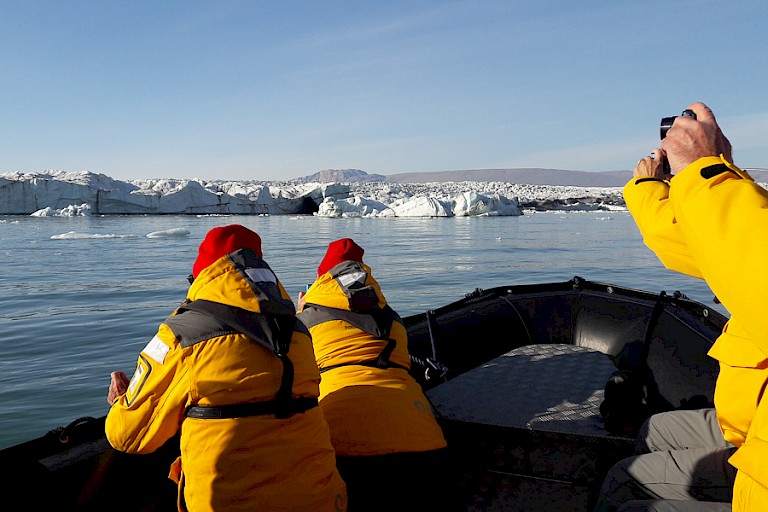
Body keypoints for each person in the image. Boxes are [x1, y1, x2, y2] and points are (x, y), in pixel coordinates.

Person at [594, 102, 768, 512]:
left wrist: (708, 172)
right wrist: (655, 188)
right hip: (753, 425)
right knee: (658, 428)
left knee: (625, 487)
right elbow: (702, 245)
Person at [105, 224, 347, 512]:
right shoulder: (298, 330)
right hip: (323, 498)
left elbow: (129, 438)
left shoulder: (182, 335)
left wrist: (123, 401)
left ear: (204, 277)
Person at [296, 238, 457, 512]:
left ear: (322, 279)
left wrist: (301, 311)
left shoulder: (307, 319)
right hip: (425, 441)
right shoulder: (392, 318)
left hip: (346, 446)